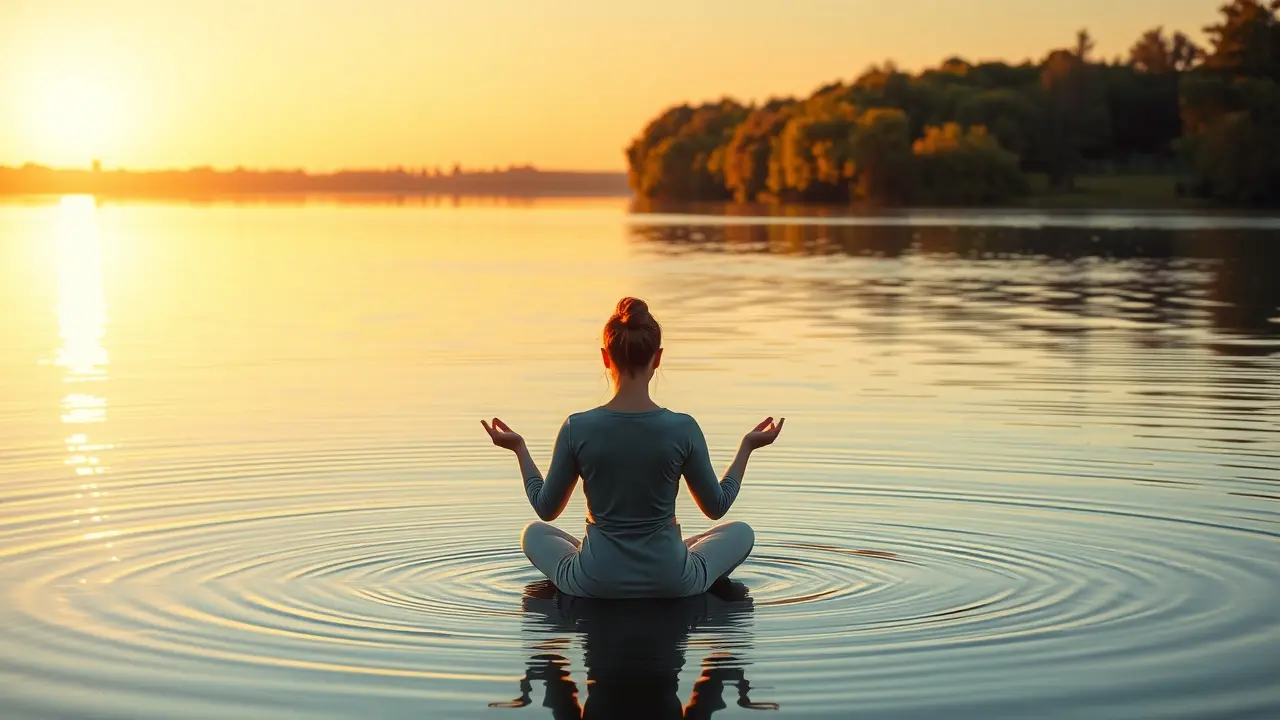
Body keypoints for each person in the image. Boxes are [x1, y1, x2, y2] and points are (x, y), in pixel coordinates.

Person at [481, 297, 784, 599]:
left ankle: (598, 554)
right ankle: (672, 554)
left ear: (605, 357)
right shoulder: (683, 428)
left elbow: (546, 509)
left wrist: (519, 448)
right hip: (673, 582)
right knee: (741, 531)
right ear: (658, 358)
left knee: (532, 532)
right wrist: (747, 447)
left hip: (594, 583)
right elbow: (716, 508)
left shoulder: (578, 427)